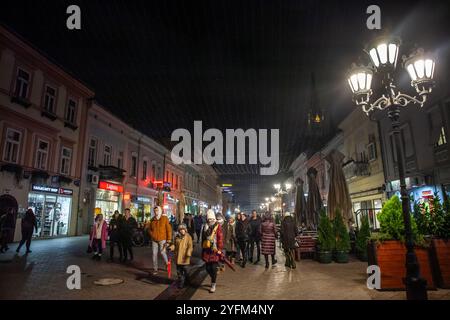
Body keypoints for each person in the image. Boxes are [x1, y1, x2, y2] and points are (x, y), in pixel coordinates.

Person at [201, 209, 223, 293]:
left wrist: (220, 249)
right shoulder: (205, 226)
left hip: (215, 250)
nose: (211, 220)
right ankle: (213, 277)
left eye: (212, 219)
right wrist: (202, 249)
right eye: (209, 219)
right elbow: (203, 239)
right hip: (206, 250)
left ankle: (213, 284)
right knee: (207, 268)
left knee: (213, 268)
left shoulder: (218, 227)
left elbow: (220, 238)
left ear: (214, 219)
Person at [168, 223, 193, 289]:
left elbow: (190, 246)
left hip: (185, 258)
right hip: (178, 257)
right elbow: (174, 245)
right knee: (179, 272)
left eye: (183, 229)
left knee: (186, 271)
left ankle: (188, 280)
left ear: (185, 230)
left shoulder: (188, 237)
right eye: (180, 229)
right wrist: (171, 247)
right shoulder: (177, 237)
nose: (182, 231)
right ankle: (181, 282)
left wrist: (188, 252)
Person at [149, 206, 172, 275]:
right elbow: (149, 228)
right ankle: (155, 269)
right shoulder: (152, 219)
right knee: (154, 254)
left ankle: (167, 264)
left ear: (160, 211)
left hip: (162, 239)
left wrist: (169, 239)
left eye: (157, 210)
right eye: (155, 211)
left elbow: (169, 229)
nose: (156, 212)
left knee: (162, 252)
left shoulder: (164, 218)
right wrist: (151, 234)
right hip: (154, 239)